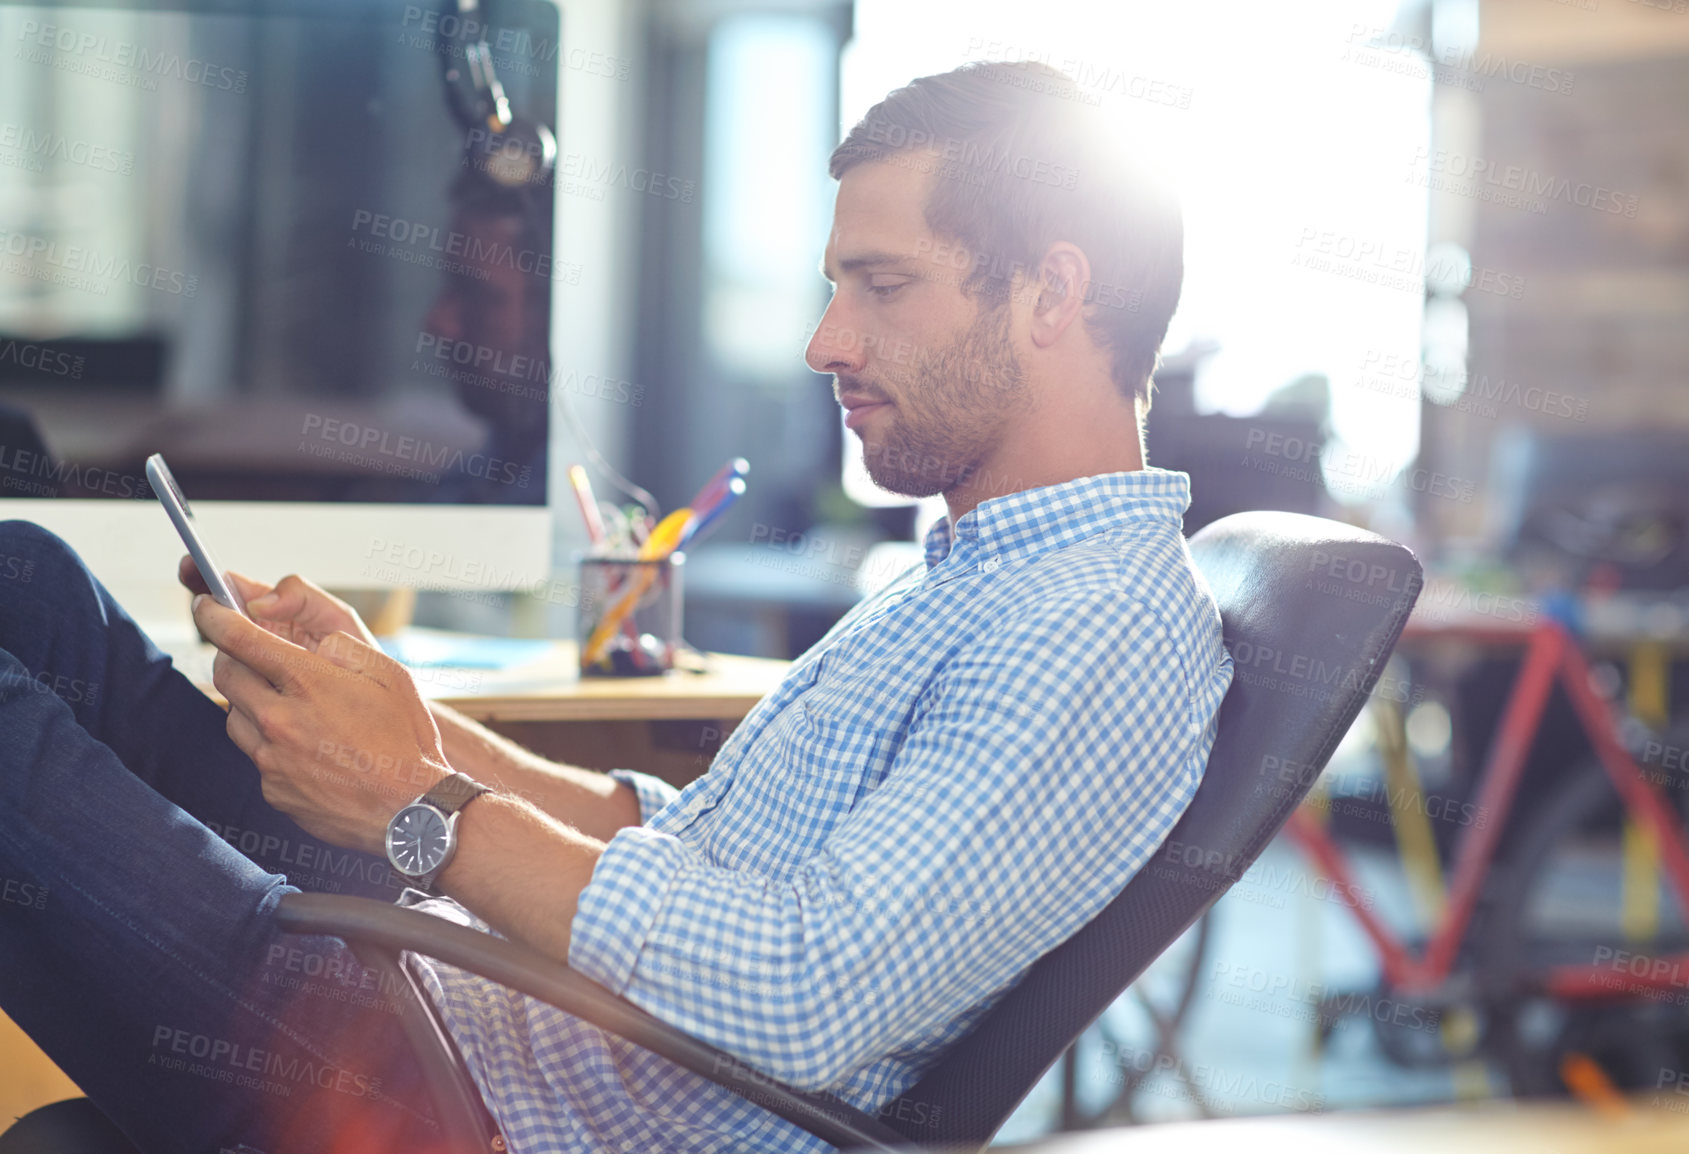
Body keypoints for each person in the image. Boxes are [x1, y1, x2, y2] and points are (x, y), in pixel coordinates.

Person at [0, 60, 1231, 1153]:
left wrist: (415, 801)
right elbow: (672, 836)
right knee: (33, 586)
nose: (822, 340)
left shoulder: (1095, 624)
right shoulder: (982, 573)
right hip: (472, 998)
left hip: (467, 1100)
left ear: (1051, 294)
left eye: (882, 285)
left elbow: (802, 991)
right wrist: (408, 728)